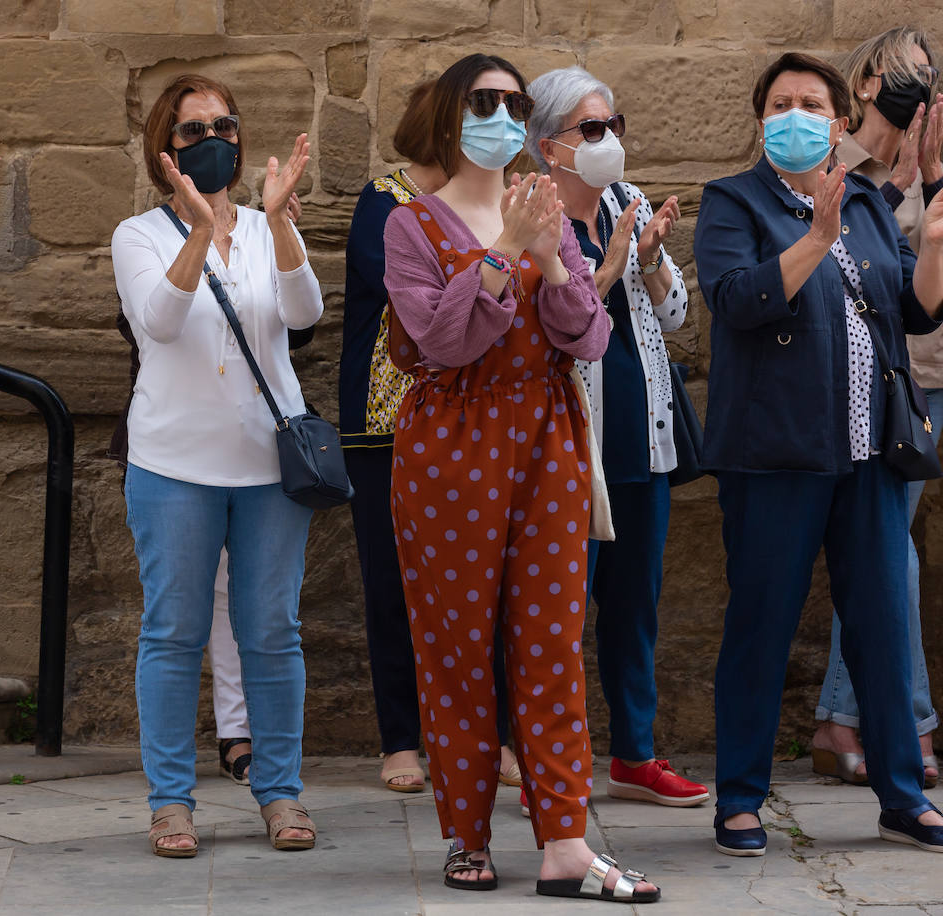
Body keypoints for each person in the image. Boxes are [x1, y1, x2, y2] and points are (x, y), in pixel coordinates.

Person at [693, 52, 943, 856]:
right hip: (774, 456)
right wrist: (814, 239)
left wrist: (931, 242)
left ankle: (902, 796)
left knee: (885, 631)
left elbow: (916, 314)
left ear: (837, 120)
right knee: (761, 628)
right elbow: (735, 301)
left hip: (869, 456)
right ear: (763, 120)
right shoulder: (732, 202)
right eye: (781, 102)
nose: (796, 113)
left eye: (811, 102)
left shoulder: (863, 198)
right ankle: (742, 801)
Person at [385, 53, 659, 903]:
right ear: (450, 114)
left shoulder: (548, 209)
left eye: (511, 101)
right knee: (458, 647)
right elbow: (440, 340)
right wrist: (505, 253)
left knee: (548, 641)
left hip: (545, 438)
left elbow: (588, 338)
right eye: (483, 101)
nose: (500, 114)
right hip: (450, 447)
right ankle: (466, 834)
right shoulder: (413, 225)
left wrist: (552, 251)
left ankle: (566, 842)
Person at [111, 74, 323, 858]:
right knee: (173, 632)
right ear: (164, 150)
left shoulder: (270, 228)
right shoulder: (138, 235)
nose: (212, 142)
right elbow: (159, 323)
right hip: (173, 465)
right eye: (192, 130)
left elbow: (304, 315)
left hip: (270, 468)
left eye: (223, 126)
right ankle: (171, 802)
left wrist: (277, 223)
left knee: (273, 634)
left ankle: (281, 792)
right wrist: (200, 230)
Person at [524, 66, 709, 809]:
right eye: (590, 130)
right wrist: (605, 267)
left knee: (636, 608)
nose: (608, 143)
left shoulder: (628, 203)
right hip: (572, 448)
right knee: (561, 615)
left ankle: (636, 754)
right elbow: (550, 328)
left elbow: (673, 320)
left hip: (645, 440)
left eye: (613, 127)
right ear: (547, 146)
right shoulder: (532, 216)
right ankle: (550, 763)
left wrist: (655, 253)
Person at [341, 80, 523, 795]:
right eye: (474, 115)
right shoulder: (387, 205)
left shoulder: (494, 202)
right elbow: (406, 289)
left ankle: (497, 737)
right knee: (393, 585)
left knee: (493, 590)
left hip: (481, 421)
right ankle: (401, 741)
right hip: (389, 422)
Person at [812, 27, 943, 789]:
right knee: (883, 548)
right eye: (903, 70)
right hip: (849, 374)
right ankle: (902, 723)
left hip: (920, 378)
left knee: (886, 546)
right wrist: (884, 174)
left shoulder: (929, 163)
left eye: (927, 72)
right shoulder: (830, 155)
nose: (916, 81)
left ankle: (843, 720)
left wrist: (935, 176)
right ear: (869, 78)